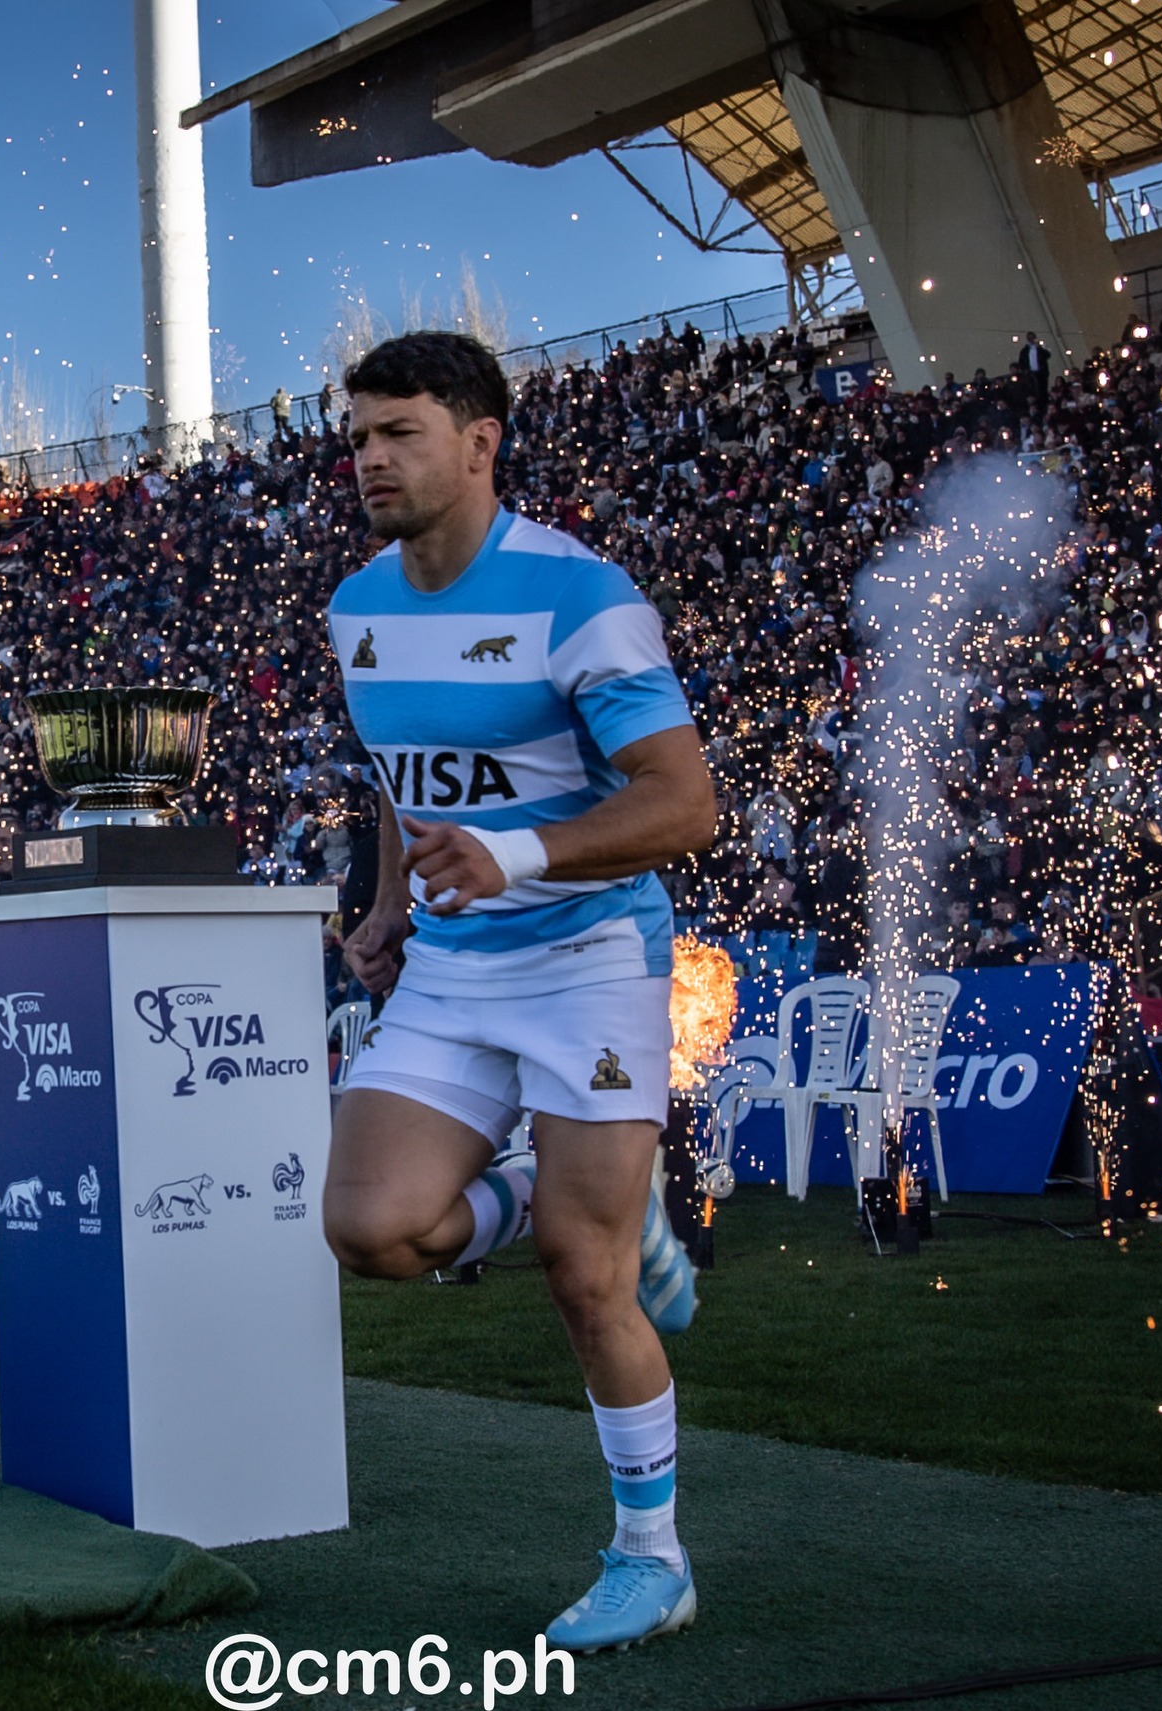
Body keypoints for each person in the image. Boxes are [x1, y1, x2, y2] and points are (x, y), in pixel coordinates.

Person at [322, 331, 718, 1652]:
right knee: (370, 1227)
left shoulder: (580, 595)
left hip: (591, 958)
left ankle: (651, 1557)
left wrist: (521, 853)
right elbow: (403, 766)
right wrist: (390, 897)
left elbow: (685, 801)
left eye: (401, 432)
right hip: (449, 963)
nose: (371, 456)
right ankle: (549, 1186)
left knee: (584, 1276)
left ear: (481, 440)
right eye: (361, 434)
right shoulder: (357, 604)